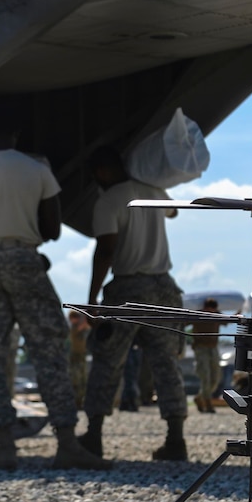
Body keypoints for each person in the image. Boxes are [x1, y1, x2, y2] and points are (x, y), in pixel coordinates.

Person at [0, 106, 107, 470]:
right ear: (16, 134)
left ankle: (3, 447)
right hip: (24, 261)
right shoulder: (37, 170)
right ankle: (66, 443)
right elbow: (52, 229)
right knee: (48, 349)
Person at [78, 146, 189, 461]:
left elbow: (106, 250)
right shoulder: (152, 190)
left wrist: (92, 299)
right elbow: (174, 212)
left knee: (107, 361)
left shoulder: (109, 200)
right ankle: (176, 439)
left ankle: (94, 436)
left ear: (101, 171)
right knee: (167, 364)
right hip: (165, 289)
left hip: (128, 290)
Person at [189, 298, 221, 414]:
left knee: (215, 378)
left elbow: (228, 321)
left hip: (213, 348)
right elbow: (184, 322)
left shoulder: (218, 315)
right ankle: (208, 403)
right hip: (200, 348)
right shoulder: (198, 315)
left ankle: (200, 397)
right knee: (205, 376)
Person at [67, 310, 91, 409]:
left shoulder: (81, 328)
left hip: (81, 357)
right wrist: (84, 315)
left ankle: (80, 402)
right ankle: (76, 402)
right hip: (75, 357)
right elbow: (84, 324)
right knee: (76, 381)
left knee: (83, 381)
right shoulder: (74, 328)